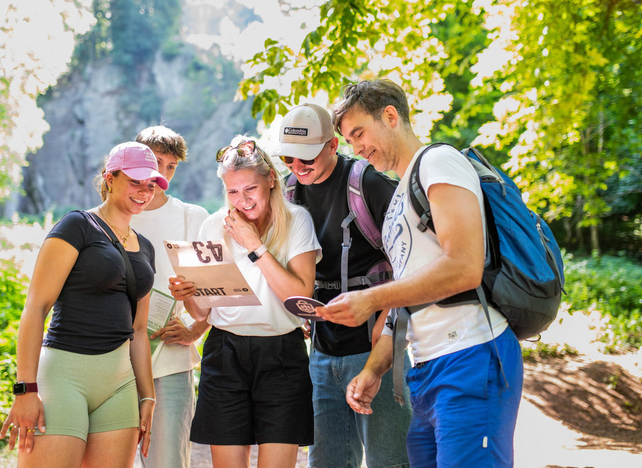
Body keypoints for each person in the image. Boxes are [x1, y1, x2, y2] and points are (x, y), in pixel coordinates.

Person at [317, 79, 524, 468]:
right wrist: (373, 370)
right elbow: (407, 301)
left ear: (391, 116)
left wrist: (371, 298)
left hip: (470, 355)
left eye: (359, 133)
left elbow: (464, 267)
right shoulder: (398, 199)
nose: (356, 147)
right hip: (426, 371)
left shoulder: (438, 161)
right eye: (348, 140)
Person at [0, 141, 168, 468]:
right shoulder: (77, 226)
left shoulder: (145, 248)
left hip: (119, 385)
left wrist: (147, 395)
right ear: (110, 178)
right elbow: (35, 307)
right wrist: (25, 389)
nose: (144, 191)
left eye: (151, 185)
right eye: (135, 182)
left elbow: (139, 331)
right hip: (64, 376)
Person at [272, 103, 411, 468]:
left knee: (389, 460)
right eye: (288, 159)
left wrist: (390, 318)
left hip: (374, 347)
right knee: (326, 461)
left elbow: (414, 261)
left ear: (333, 146)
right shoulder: (288, 191)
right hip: (321, 349)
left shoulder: (368, 183)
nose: (298, 169)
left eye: (307, 160)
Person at [169, 135, 320, 468]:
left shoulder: (297, 221)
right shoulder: (213, 225)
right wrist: (190, 296)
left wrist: (254, 245)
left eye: (249, 189)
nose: (242, 201)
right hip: (225, 353)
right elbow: (202, 311)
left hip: (282, 354)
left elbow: (300, 298)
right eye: (233, 192)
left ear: (270, 180)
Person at [129, 126, 211, 468]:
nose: (162, 174)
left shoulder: (192, 218)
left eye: (171, 166)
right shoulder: (111, 216)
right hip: (112, 360)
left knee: (167, 461)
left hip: (171, 361)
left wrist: (196, 329)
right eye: (155, 162)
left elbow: (214, 291)